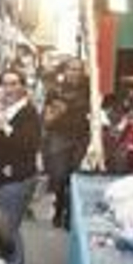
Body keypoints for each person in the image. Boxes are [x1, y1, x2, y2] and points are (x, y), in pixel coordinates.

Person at [0, 71, 43, 264]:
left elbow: (27, 144)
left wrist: (3, 126)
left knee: (9, 225)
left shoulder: (29, 113)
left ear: (23, 87)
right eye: (5, 84)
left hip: (19, 176)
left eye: (14, 83)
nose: (8, 88)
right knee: (2, 225)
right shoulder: (2, 110)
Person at [42, 58, 91, 229]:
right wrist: (57, 112)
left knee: (75, 176)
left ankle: (71, 214)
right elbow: (47, 119)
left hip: (81, 137)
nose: (74, 73)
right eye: (71, 69)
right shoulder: (55, 91)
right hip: (60, 136)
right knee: (60, 175)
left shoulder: (89, 89)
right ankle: (59, 205)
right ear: (65, 71)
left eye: (78, 69)